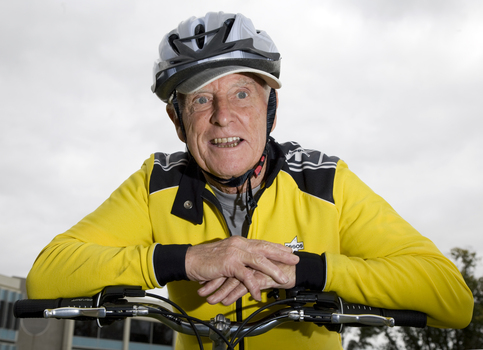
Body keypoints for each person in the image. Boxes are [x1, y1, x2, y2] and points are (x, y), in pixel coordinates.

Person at [26, 11, 473, 349]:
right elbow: (47, 278)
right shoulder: (158, 183)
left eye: (241, 93)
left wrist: (303, 270)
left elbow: (452, 299)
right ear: (178, 120)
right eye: (201, 100)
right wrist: (185, 260)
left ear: (270, 107)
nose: (223, 117)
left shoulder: (323, 181)